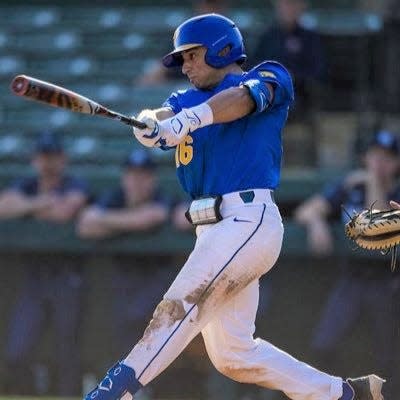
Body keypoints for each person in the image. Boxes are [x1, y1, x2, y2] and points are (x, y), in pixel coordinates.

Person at [83, 14, 385, 400]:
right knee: (232, 354)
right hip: (211, 230)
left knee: (179, 308)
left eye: (192, 55)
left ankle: (112, 393)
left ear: (222, 48)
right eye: (182, 59)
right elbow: (167, 114)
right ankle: (343, 394)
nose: (186, 66)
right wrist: (151, 122)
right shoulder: (185, 98)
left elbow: (240, 101)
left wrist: (189, 120)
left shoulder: (267, 75)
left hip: (248, 220)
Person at [294, 130, 400, 398]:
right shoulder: (349, 186)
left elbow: (375, 225)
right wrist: (317, 222)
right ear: (366, 157)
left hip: (387, 283)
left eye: (387, 159)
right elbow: (305, 210)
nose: (380, 164)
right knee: (323, 346)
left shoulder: (395, 191)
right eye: (375, 156)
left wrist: (371, 180)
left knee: (386, 359)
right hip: (350, 280)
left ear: (396, 164)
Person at [0, 131, 90, 396]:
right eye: (43, 157)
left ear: (62, 159)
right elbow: (4, 206)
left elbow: (65, 212)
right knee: (18, 349)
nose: (48, 163)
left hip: (68, 277)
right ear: (35, 160)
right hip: (34, 279)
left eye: (53, 156)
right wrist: (43, 202)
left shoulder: (75, 183)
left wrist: (28, 208)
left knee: (67, 348)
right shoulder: (27, 185)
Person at [77, 149, 171, 359]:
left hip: (155, 279)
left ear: (152, 179)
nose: (137, 181)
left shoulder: (160, 196)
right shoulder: (114, 196)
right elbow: (85, 225)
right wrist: (130, 222)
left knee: (143, 323)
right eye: (132, 174)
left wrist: (109, 222)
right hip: (121, 279)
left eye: (143, 175)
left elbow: (153, 216)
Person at [251, 0, 325, 118]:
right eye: (286, 3)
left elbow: (318, 72)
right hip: (265, 91)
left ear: (302, 6)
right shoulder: (267, 36)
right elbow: (253, 66)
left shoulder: (310, 38)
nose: (290, 8)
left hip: (298, 94)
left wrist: (292, 77)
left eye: (294, 3)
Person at [136, 0, 230, 86]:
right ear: (199, 6)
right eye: (207, 5)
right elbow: (155, 73)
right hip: (183, 91)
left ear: (224, 7)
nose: (211, 10)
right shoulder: (183, 36)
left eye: (215, 5)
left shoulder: (233, 38)